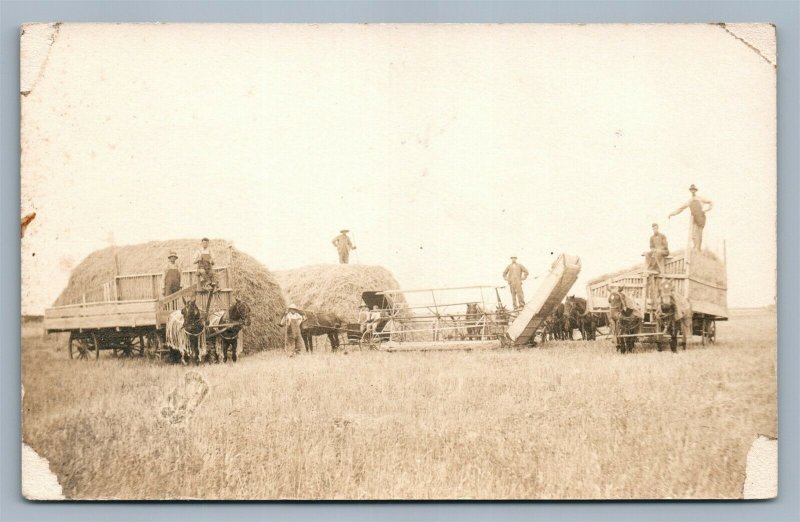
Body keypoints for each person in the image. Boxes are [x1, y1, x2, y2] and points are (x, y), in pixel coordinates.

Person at [668, 184, 713, 250]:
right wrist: (672, 214)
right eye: (691, 190)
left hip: (701, 218)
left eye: (694, 190)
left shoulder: (700, 198)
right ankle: (695, 248)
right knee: (693, 235)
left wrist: (706, 210)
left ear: (695, 190)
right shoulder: (690, 201)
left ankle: (698, 249)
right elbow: (681, 209)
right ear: (690, 191)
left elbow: (711, 202)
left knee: (699, 235)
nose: (693, 191)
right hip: (694, 219)